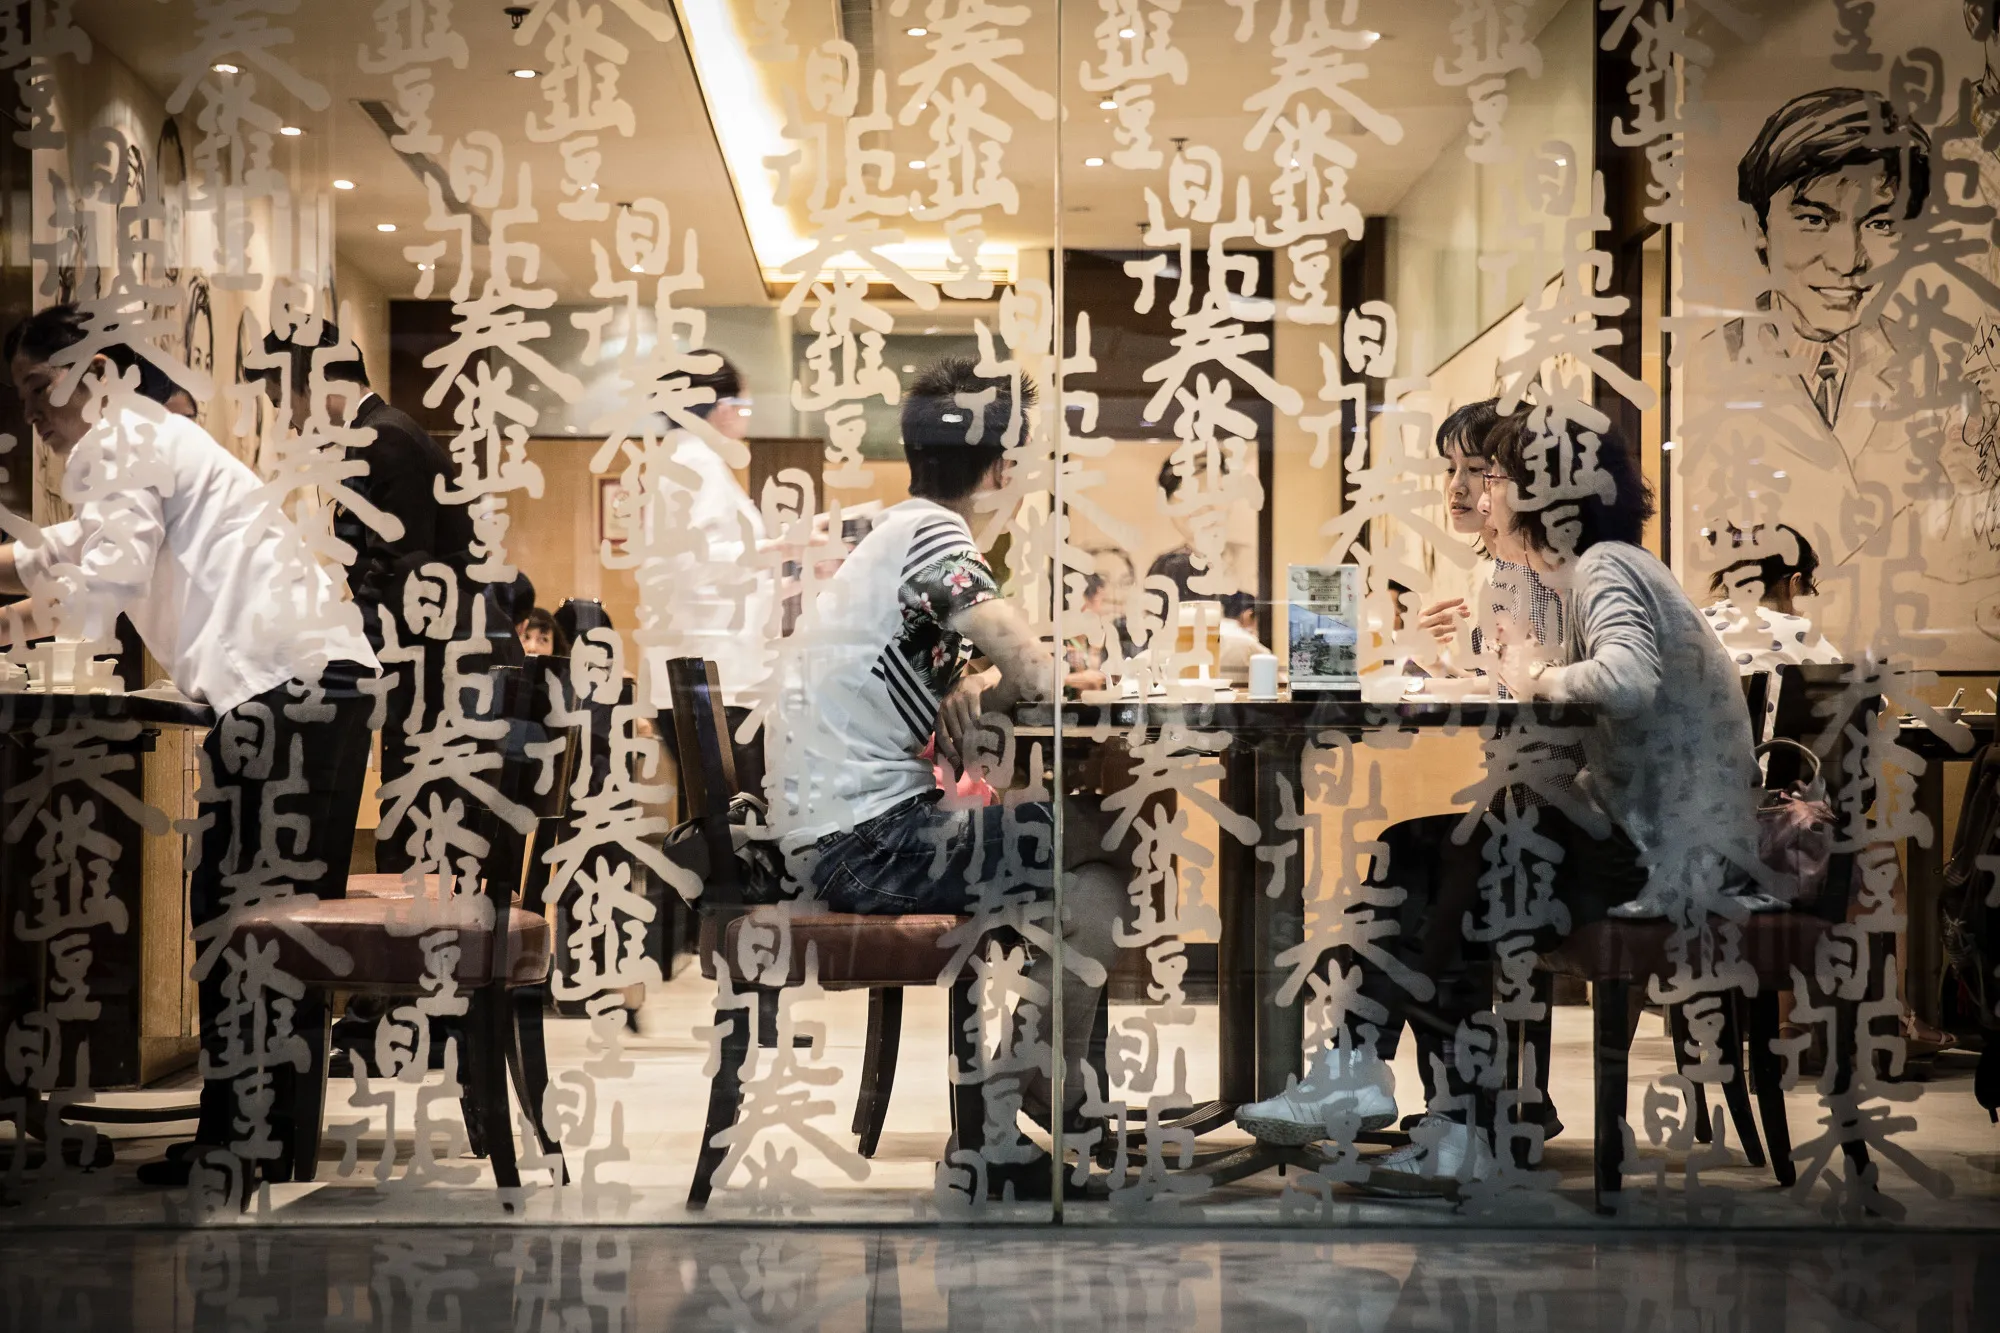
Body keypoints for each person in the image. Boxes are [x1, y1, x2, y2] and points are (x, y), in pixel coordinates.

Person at [0, 305, 380, 1187]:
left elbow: (100, 591)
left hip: (283, 690)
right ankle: (260, 1138)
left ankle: (242, 1140)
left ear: (95, 372)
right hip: (317, 686)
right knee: (268, 920)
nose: (33, 412)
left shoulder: (122, 441)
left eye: (40, 387)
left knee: (240, 917)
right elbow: (72, 551)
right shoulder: (147, 436)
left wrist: (13, 622)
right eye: (21, 395)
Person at [789, 357, 1129, 1195]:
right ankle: (1027, 1096)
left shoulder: (896, 535)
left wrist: (976, 677)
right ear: (1003, 468)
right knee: (1110, 849)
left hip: (845, 831)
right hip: (866, 843)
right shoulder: (937, 538)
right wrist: (1020, 670)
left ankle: (1020, 1113)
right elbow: (1039, 672)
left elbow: (977, 665)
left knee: (1084, 870)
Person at [1234, 399, 1573, 1150]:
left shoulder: (1555, 574)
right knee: (1422, 857)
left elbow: (1540, 691)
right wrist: (1433, 658)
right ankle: (1446, 1100)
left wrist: (1440, 667)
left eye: (1479, 469)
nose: (1459, 487)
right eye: (1452, 469)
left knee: (1433, 867)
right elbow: (1502, 682)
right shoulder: (1504, 575)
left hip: (1575, 825)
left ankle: (1416, 1091)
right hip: (1533, 808)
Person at [649, 352, 775, 697]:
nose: (745, 419)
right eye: (744, 408)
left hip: (707, 660)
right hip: (711, 664)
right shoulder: (697, 463)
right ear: (723, 409)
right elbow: (697, 562)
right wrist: (780, 548)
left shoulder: (685, 459)